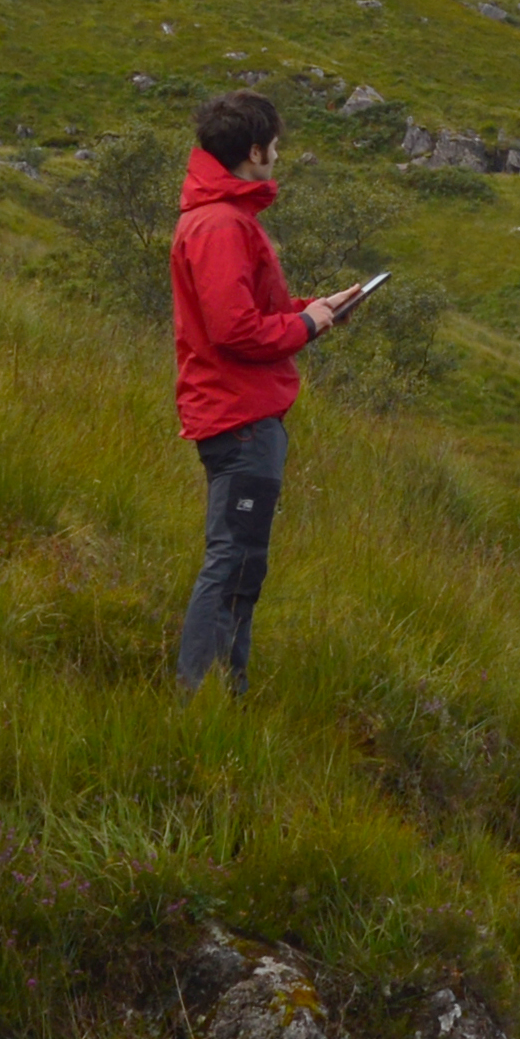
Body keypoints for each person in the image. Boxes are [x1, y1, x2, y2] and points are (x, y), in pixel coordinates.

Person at [172, 89, 369, 697]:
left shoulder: (221, 217)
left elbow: (252, 313)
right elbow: (235, 331)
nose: (278, 157)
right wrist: (307, 326)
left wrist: (314, 309)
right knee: (232, 561)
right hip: (242, 416)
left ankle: (225, 692)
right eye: (275, 146)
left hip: (242, 414)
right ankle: (201, 698)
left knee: (241, 563)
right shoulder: (222, 225)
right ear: (253, 151)